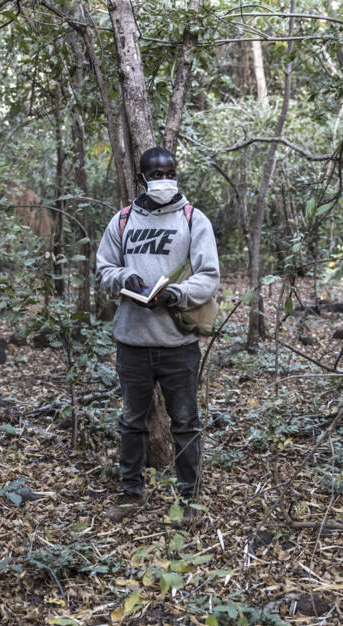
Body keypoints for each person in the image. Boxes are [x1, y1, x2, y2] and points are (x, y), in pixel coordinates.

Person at [95, 146, 220, 524]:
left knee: (185, 423)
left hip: (177, 344)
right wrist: (122, 278)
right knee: (133, 421)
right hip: (132, 341)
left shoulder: (193, 220)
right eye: (156, 174)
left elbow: (209, 276)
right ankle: (131, 494)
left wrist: (176, 293)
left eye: (169, 172)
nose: (163, 180)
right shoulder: (122, 220)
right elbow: (103, 270)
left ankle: (191, 501)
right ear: (142, 178)